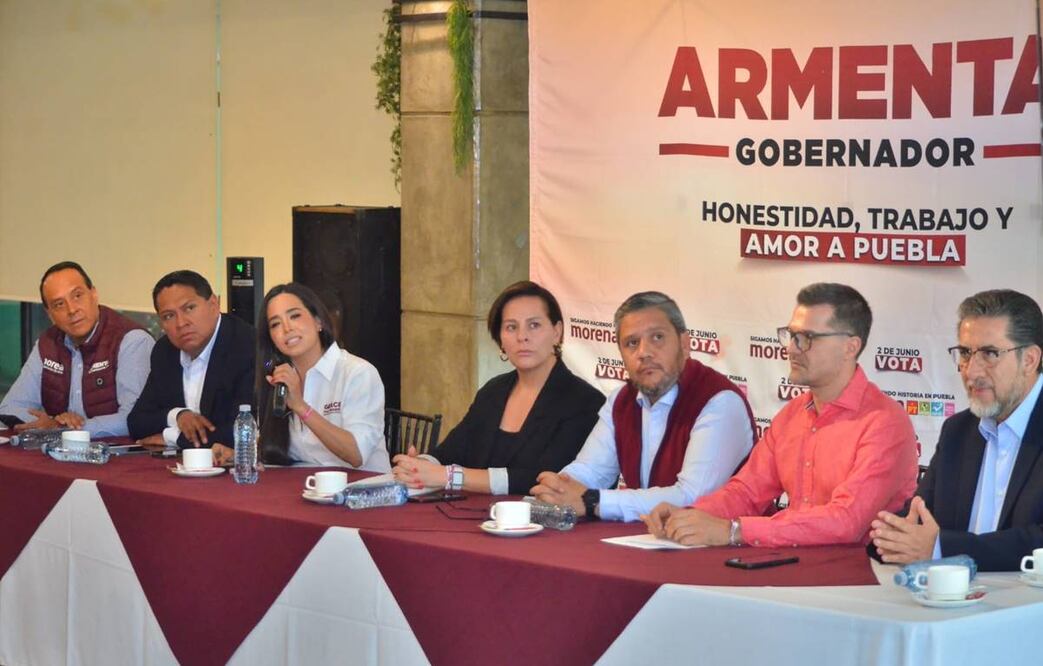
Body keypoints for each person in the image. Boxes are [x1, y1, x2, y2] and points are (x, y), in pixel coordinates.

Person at [644, 283, 918, 547]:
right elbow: (746, 492)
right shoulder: (792, 415)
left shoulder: (885, 423)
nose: (791, 348)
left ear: (850, 347)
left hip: (864, 573)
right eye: (791, 335)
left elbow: (845, 521)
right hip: (792, 565)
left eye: (807, 338)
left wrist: (734, 531)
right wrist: (689, 516)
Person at [530, 291, 755, 522]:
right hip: (650, 538)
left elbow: (691, 498)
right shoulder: (621, 401)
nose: (644, 352)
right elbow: (590, 470)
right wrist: (558, 488)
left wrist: (593, 501)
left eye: (657, 337)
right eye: (632, 343)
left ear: (685, 344)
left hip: (727, 542)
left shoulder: (719, 401)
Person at [870, 289, 1043, 571]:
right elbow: (920, 516)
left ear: (1030, 360)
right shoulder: (958, 431)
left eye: (990, 354)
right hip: (953, 597)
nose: (971, 372)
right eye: (965, 353)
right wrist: (891, 535)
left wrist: (941, 548)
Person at [391, 281, 604, 495]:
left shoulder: (585, 401)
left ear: (557, 332)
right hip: (475, 513)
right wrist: (418, 465)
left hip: (536, 515)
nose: (522, 336)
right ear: (500, 339)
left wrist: (450, 476)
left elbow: (546, 478)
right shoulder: (493, 391)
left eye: (534, 325)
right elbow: (451, 452)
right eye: (511, 327)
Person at [213, 282, 390, 472]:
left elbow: (356, 454)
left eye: (295, 316)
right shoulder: (279, 377)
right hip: (304, 485)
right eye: (275, 324)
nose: (286, 328)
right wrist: (240, 454)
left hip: (362, 485)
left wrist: (301, 407)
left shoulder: (358, 373)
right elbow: (278, 449)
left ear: (318, 321)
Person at [0, 261, 154, 437]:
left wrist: (65, 429)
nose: (72, 309)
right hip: (61, 449)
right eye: (59, 304)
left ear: (94, 294)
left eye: (77, 296)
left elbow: (135, 418)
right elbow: (10, 408)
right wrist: (54, 422)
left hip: (117, 451)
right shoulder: (47, 343)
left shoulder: (131, 340)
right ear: (49, 314)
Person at [127, 270, 255, 450]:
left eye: (189, 308)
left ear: (214, 304)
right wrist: (178, 416)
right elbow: (137, 422)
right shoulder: (165, 351)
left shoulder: (247, 347)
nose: (181, 323)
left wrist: (171, 437)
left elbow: (242, 432)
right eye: (169, 316)